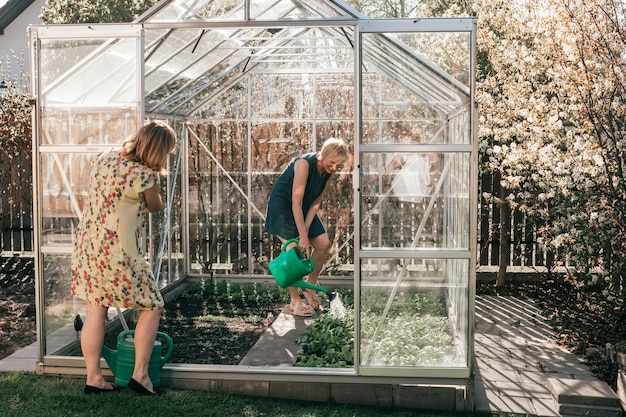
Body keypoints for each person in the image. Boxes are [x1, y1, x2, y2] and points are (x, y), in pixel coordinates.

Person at [71, 120, 177, 395]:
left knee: (96, 308)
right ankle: (141, 375)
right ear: (159, 150)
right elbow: (155, 206)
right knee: (152, 305)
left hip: (89, 244)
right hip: (119, 250)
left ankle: (93, 377)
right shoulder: (145, 175)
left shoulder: (108, 155)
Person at [265, 138, 349, 317]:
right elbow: (296, 202)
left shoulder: (329, 171)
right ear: (323, 154)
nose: (334, 168)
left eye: (338, 165)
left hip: (304, 207)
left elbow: (315, 202)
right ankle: (295, 301)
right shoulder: (303, 164)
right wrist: (302, 236)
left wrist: (307, 229)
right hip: (284, 206)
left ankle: (310, 286)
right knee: (293, 251)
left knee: (323, 244)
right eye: (332, 162)